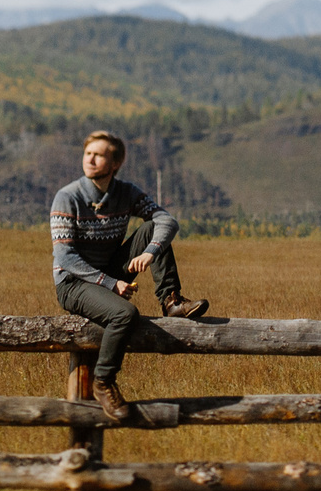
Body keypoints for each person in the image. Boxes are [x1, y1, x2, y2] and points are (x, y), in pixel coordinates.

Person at [50, 129, 211, 420]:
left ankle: (171, 301)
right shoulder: (68, 197)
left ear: (115, 164)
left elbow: (167, 221)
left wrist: (150, 251)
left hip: (110, 266)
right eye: (88, 153)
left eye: (99, 155)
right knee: (124, 314)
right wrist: (111, 284)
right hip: (73, 282)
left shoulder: (126, 192)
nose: (91, 159)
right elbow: (65, 257)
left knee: (153, 229)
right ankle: (104, 381)